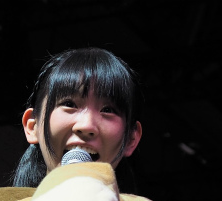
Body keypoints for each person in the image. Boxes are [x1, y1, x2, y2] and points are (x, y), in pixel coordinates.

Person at [12, 47, 142, 187]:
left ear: (131, 139)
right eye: (69, 104)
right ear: (33, 127)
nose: (86, 125)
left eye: (108, 110)